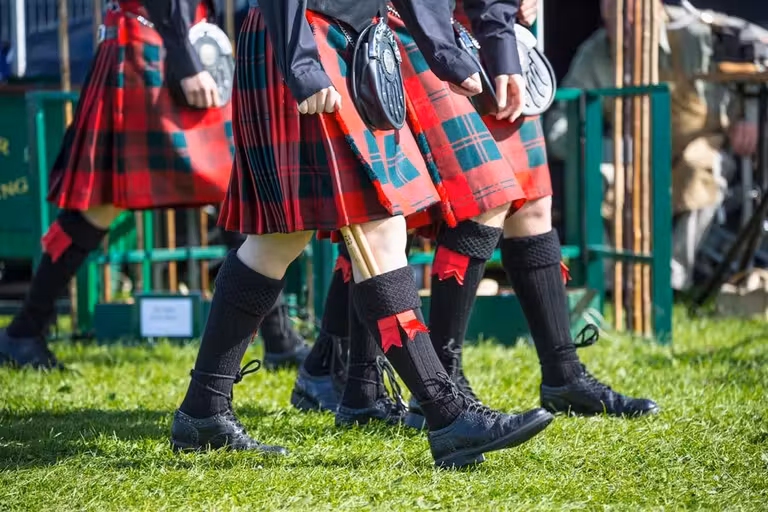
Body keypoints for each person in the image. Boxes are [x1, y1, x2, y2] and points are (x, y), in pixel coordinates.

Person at [169, 0, 554, 468]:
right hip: (305, 35)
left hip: (348, 39)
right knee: (378, 229)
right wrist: (300, 59)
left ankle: (203, 409)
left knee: (281, 240)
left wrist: (444, 52)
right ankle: (446, 414)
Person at [293, 0, 660, 426]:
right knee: (415, 210)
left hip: (484, 28)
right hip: (426, 27)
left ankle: (562, 372)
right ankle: (406, 382)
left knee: (530, 203)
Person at [0, 0, 308, 370]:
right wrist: (185, 58)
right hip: (155, 43)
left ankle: (279, 338)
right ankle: (24, 331)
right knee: (104, 204)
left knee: (231, 188)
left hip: (165, 39)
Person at [545, 0, 760, 292]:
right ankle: (611, 283)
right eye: (611, 18)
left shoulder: (694, 33)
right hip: (632, 156)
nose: (621, 27)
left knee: (701, 171)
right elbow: (560, 123)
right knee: (596, 177)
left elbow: (752, 64)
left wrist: (749, 116)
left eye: (629, 16)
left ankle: (671, 282)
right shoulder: (596, 53)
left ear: (654, 9)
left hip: (699, 143)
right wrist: (598, 147)